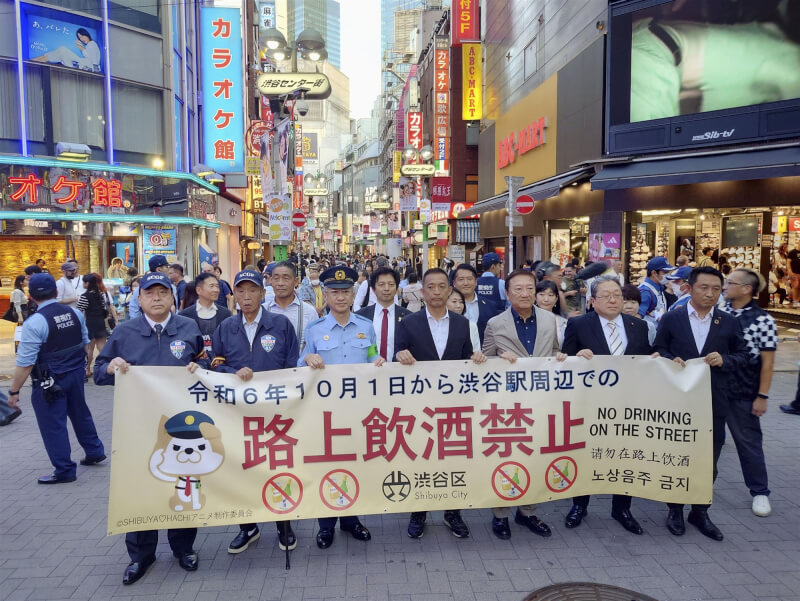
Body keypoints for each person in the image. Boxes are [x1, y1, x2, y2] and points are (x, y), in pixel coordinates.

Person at [94, 271, 208, 585]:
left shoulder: (187, 327)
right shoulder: (124, 332)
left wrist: (202, 366)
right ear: (139, 298)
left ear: (173, 297)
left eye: (162, 292)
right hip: (139, 428)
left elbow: (207, 362)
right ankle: (141, 556)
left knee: (184, 485)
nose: (156, 298)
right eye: (149, 293)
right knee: (141, 489)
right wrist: (110, 366)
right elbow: (98, 374)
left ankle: (184, 548)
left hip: (183, 428)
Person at [654, 266, 749, 541]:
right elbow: (659, 349)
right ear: (689, 288)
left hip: (713, 401)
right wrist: (670, 359)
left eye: (716, 289)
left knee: (709, 460)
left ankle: (700, 510)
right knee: (676, 456)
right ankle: (675, 510)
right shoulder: (672, 319)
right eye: (703, 288)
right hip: (678, 401)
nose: (709, 294)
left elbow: (743, 354)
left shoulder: (728, 322)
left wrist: (726, 360)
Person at [211, 270, 299, 554]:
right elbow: (215, 364)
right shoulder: (225, 327)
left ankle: (283, 524)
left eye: (252, 291)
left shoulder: (280, 324)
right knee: (241, 469)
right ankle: (247, 528)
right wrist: (233, 372)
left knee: (278, 467)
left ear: (264, 294)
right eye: (241, 291)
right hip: (237, 414)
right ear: (234, 295)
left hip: (275, 412)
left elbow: (293, 365)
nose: (246, 297)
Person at [299, 265, 385, 549]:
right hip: (325, 415)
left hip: (359, 412)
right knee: (328, 468)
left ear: (353, 294)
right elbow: (299, 368)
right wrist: (308, 359)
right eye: (334, 292)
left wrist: (378, 362)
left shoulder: (365, 326)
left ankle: (352, 520)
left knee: (355, 466)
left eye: (345, 292)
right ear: (325, 294)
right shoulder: (314, 329)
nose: (340, 297)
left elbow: (373, 356)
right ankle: (326, 525)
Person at [395, 268, 484, 540]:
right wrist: (400, 355)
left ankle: (452, 512)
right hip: (418, 408)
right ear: (422, 292)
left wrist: (477, 358)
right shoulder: (408, 323)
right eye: (430, 287)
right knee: (421, 460)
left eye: (441, 287)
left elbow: (467, 359)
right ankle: (418, 512)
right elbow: (395, 359)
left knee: (453, 460)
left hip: (453, 408)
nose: (436, 292)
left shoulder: (462, 324)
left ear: (450, 291)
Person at [562, 275, 654, 535]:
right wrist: (575, 357)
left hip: (628, 406)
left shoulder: (638, 326)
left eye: (617, 295)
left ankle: (622, 508)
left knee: (624, 455)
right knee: (586, 455)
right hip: (590, 406)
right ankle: (580, 504)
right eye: (606, 295)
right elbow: (564, 361)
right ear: (592, 301)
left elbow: (647, 362)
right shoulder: (579, 325)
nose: (613, 300)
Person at [482, 269, 565, 540]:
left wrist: (560, 358)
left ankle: (528, 511)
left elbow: (552, 351)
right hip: (508, 406)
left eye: (529, 288)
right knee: (506, 457)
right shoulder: (495, 323)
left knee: (536, 456)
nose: (525, 293)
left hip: (540, 402)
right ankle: (500, 514)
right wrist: (497, 359)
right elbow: (482, 362)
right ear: (507, 294)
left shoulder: (550, 319)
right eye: (517, 289)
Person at [7, 273, 105, 483]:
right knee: (81, 414)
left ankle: (64, 470)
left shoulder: (35, 323)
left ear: (30, 296)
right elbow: (86, 342)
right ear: (57, 291)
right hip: (75, 375)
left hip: (48, 382)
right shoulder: (74, 313)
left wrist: (14, 391)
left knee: (53, 424)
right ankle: (95, 451)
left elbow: (25, 362)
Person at [722, 268, 776, 517]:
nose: (725, 286)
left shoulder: (762, 320)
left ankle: (760, 492)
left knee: (748, 442)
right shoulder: (719, 311)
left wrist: (762, 396)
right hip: (712, 387)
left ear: (747, 289)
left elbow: (767, 363)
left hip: (743, 391)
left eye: (730, 282)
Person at [356, 266, 411, 361]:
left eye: (391, 284)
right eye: (381, 284)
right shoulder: (360, 316)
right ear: (373, 289)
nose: (386, 289)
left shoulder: (408, 317)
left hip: (398, 372)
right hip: (368, 372)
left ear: (397, 288)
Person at [263, 261, 318, 352]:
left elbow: (314, 345)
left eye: (286, 278)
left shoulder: (309, 312)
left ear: (296, 281)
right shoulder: (262, 310)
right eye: (276, 279)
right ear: (271, 281)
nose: (280, 283)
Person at [179, 272, 231, 360]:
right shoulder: (185, 315)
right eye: (211, 286)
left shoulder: (225, 314)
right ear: (198, 290)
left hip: (220, 365)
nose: (216, 290)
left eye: (217, 286)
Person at [451, 263, 494, 344]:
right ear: (454, 283)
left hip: (483, 354)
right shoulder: (447, 306)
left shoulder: (490, 306)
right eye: (461, 279)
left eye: (470, 279)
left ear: (476, 282)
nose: (466, 283)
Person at [76, 274, 109, 379]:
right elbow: (105, 308)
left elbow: (79, 311)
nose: (83, 284)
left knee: (89, 348)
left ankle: (87, 369)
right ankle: (105, 367)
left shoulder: (84, 296)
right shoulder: (101, 294)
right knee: (102, 347)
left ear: (88, 283)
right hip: (100, 322)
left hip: (89, 323)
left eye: (84, 282)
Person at [32, 27, 101, 71]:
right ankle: (39, 59)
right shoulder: (90, 45)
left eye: (82, 36)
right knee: (62, 50)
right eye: (80, 38)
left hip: (81, 65)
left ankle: (35, 61)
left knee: (62, 50)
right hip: (80, 64)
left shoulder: (92, 44)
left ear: (86, 34)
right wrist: (82, 48)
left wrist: (82, 48)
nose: (82, 39)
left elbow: (93, 61)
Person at [638, 256, 676, 327]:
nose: (668, 275)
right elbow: (636, 318)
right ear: (654, 273)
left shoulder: (659, 288)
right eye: (665, 272)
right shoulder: (645, 292)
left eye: (669, 272)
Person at [446, 288, 480, 353]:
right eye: (454, 301)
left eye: (461, 302)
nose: (458, 306)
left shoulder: (471, 325)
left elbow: (477, 351)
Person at [534, 280, 567, 348]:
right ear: (535, 297)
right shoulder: (528, 321)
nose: (546, 299)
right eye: (542, 294)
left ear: (556, 298)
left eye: (550, 295)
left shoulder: (564, 323)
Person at [476, 252, 507, 320]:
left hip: (478, 322)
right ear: (493, 266)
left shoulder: (475, 283)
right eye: (499, 265)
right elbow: (509, 304)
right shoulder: (501, 283)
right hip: (498, 323)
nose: (500, 269)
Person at [788, 238, 800, 308]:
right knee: (795, 286)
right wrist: (790, 271)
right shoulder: (792, 252)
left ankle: (797, 301)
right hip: (794, 273)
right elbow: (788, 263)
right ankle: (795, 301)